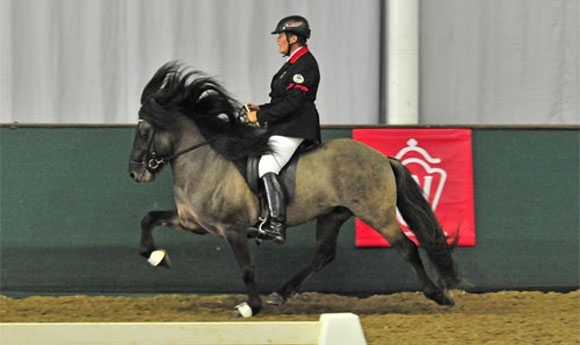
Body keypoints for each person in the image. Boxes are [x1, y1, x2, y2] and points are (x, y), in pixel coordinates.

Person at [245, 15, 321, 244]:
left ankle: (276, 225)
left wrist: (260, 117)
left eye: (281, 35)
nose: (278, 40)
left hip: (295, 126)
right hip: (284, 124)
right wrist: (261, 108)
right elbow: (283, 100)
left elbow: (294, 103)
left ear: (294, 37)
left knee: (268, 164)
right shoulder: (291, 64)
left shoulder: (305, 64)